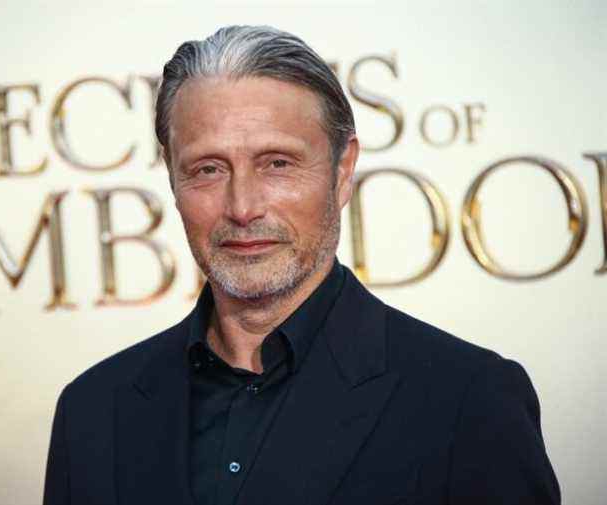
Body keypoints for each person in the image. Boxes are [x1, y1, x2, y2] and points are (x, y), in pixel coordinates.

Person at [43, 25, 560, 505]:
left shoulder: (469, 401)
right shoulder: (92, 412)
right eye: (207, 168)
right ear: (173, 182)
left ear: (341, 172)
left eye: (278, 164)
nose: (243, 207)